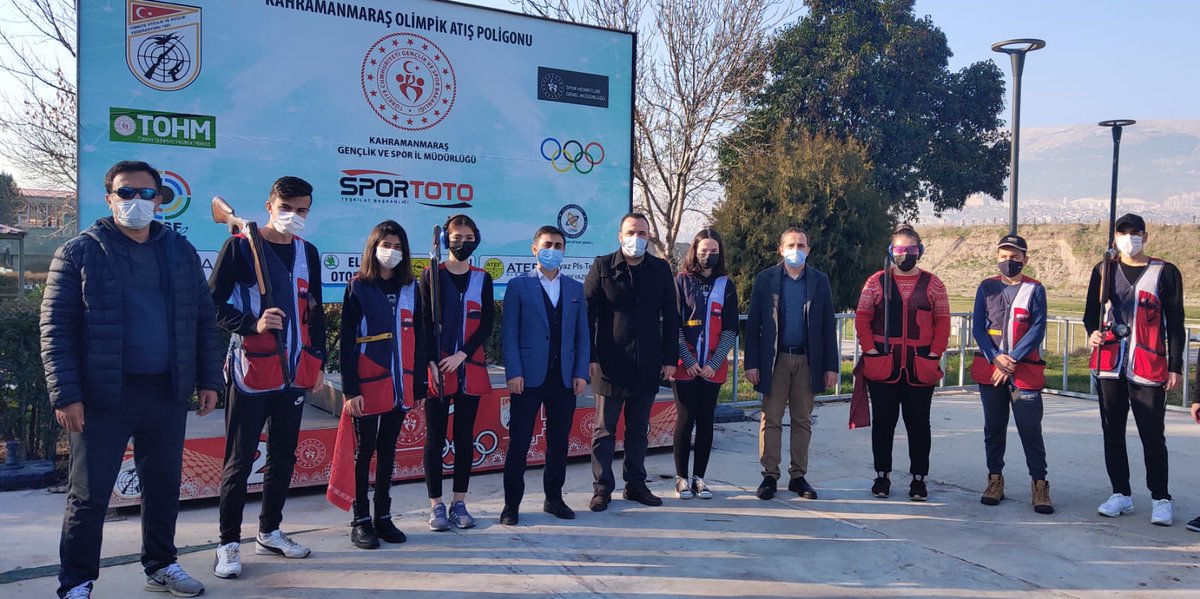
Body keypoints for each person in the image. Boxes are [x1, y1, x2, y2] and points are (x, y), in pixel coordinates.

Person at [41, 160, 222, 598]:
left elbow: (202, 318)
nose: (136, 201)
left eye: (145, 193)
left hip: (165, 391)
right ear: (109, 199)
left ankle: (161, 565)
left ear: (159, 200)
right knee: (89, 495)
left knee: (163, 487)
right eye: (126, 193)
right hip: (103, 395)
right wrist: (66, 395)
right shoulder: (80, 252)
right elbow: (56, 329)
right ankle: (76, 582)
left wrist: (208, 379)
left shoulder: (179, 251)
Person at [210, 176, 326, 579]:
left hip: (294, 371)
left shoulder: (308, 253)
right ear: (269, 205)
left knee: (283, 456)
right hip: (252, 369)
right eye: (286, 207)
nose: (294, 215)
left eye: (302, 210)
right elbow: (211, 304)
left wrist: (318, 360)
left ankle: (270, 531)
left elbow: (314, 310)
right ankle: (227, 543)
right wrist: (252, 323)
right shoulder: (240, 246)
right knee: (240, 460)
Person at [1084, 213, 1185, 526]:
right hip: (1110, 364)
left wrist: (1175, 365)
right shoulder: (1103, 270)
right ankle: (1121, 493)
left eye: (1135, 232)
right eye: (1123, 233)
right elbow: (1090, 314)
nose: (1129, 238)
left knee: (1152, 435)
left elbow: (1176, 323)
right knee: (1112, 432)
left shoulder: (1165, 272)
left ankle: (1160, 497)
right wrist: (1092, 333)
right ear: (1115, 238)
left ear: (1145, 236)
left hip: (1148, 365)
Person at [333, 220, 427, 548]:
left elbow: (421, 336)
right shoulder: (358, 286)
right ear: (374, 248)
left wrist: (420, 384)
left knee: (388, 449)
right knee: (365, 450)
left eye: (398, 246)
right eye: (386, 245)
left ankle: (383, 516)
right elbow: (346, 340)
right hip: (369, 380)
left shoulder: (411, 288)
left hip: (402, 382)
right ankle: (360, 518)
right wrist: (350, 389)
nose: (392, 251)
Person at [584, 212, 680, 511]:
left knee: (638, 430)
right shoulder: (602, 266)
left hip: (647, 363)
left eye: (642, 233)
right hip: (609, 364)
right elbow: (587, 314)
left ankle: (636, 485)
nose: (636, 239)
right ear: (620, 236)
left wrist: (670, 358)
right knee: (604, 431)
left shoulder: (660, 269)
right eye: (630, 232)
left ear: (648, 237)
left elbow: (671, 316)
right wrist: (589, 356)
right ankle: (602, 488)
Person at [500, 225, 590, 524]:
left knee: (559, 442)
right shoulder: (518, 285)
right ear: (535, 249)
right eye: (547, 244)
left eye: (558, 245)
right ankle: (511, 505)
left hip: (563, 378)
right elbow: (509, 334)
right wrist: (514, 372)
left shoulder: (575, 288)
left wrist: (580, 372)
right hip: (527, 378)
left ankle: (554, 499)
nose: (553, 250)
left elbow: (582, 335)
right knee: (519, 443)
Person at [855, 224, 950, 501]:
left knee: (919, 423)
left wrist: (935, 353)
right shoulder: (876, 282)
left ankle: (919, 479)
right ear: (891, 251)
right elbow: (862, 318)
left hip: (920, 364)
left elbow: (942, 322)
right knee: (883, 422)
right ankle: (882, 475)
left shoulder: (934, 283)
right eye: (899, 249)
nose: (905, 254)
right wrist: (870, 350)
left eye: (911, 249)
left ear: (920, 251)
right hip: (884, 363)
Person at [744, 227, 838, 500]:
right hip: (775, 361)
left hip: (808, 361)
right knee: (771, 419)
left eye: (801, 245)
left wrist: (831, 366)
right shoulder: (766, 280)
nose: (796, 250)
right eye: (791, 245)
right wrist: (751, 363)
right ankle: (769, 476)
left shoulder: (819, 280)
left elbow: (827, 325)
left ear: (808, 249)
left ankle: (798, 476)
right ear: (781, 249)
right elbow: (753, 325)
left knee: (802, 420)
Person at [419, 213, 494, 531]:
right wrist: (431, 362)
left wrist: (463, 354)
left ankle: (459, 502)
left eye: (468, 237)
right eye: (456, 237)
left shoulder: (482, 278)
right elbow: (423, 322)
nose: (462, 242)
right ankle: (436, 505)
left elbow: (487, 322)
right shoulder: (430, 275)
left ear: (477, 239)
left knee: (465, 438)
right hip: (438, 369)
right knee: (435, 439)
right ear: (444, 239)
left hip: (468, 367)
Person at [969, 234, 1053, 514]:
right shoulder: (987, 287)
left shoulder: (1035, 289)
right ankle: (995, 479)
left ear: (1025, 259)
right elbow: (979, 327)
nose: (1009, 261)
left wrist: (1012, 359)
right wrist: (996, 357)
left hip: (1024, 371)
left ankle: (1039, 484)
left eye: (1015, 257)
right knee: (993, 428)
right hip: (991, 371)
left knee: (1030, 429)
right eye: (1004, 257)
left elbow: (1037, 328)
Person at [671, 228, 739, 500]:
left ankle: (699, 478)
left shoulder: (726, 285)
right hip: (684, 365)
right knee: (685, 419)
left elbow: (731, 328)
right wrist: (688, 359)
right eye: (703, 250)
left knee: (706, 420)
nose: (708, 255)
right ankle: (681, 478)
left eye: (713, 251)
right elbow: (674, 324)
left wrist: (715, 361)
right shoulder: (680, 281)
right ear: (694, 251)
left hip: (713, 366)